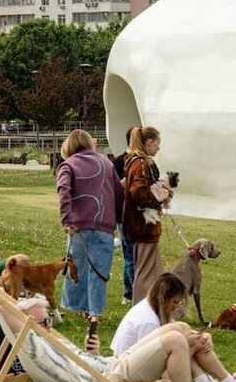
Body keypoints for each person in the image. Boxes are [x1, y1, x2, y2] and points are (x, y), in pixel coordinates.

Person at [4, 295, 236, 382]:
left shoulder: (48, 338)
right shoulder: (33, 344)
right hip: (107, 377)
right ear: (28, 325)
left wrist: (93, 353)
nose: (49, 325)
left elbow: (77, 359)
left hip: (108, 364)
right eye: (43, 321)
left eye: (49, 319)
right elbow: (6, 312)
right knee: (176, 340)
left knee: (179, 328)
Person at [112, 273, 236, 382]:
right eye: (174, 302)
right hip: (122, 374)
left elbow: (178, 330)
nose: (176, 307)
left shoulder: (150, 307)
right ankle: (205, 380)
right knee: (178, 340)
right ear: (163, 299)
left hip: (127, 366)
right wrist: (187, 343)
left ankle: (218, 380)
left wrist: (203, 336)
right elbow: (160, 369)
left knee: (182, 328)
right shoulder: (148, 322)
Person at [58, 129, 124, 324]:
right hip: (104, 225)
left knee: (77, 267)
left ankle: (80, 307)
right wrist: (118, 220)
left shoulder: (68, 165)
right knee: (99, 270)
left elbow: (63, 191)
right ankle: (95, 312)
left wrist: (67, 219)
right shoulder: (107, 163)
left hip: (78, 225)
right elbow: (118, 194)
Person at [122, 126, 165, 303]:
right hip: (143, 225)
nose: (159, 148)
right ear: (149, 142)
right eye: (157, 143)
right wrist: (158, 199)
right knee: (145, 271)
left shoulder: (134, 160)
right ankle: (140, 305)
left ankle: (153, 304)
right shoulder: (141, 163)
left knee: (151, 270)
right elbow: (138, 191)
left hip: (141, 225)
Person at [113, 125, 142, 306]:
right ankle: (133, 294)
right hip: (125, 215)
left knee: (135, 256)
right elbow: (114, 190)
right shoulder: (118, 162)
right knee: (131, 256)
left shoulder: (146, 162)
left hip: (141, 215)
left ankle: (131, 293)